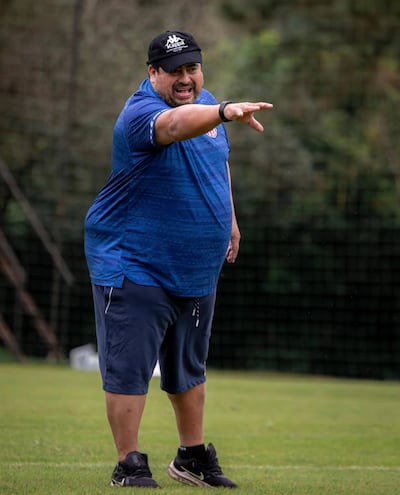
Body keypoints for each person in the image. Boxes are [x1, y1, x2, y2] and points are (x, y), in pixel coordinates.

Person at [84, 30, 273, 488]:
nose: (186, 79)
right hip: (135, 261)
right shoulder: (142, 114)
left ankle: (191, 456)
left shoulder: (204, 104)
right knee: (130, 369)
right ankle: (129, 462)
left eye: (192, 68)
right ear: (153, 73)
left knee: (189, 367)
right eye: (175, 71)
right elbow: (174, 127)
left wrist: (228, 219)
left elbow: (218, 157)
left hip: (194, 266)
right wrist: (225, 111)